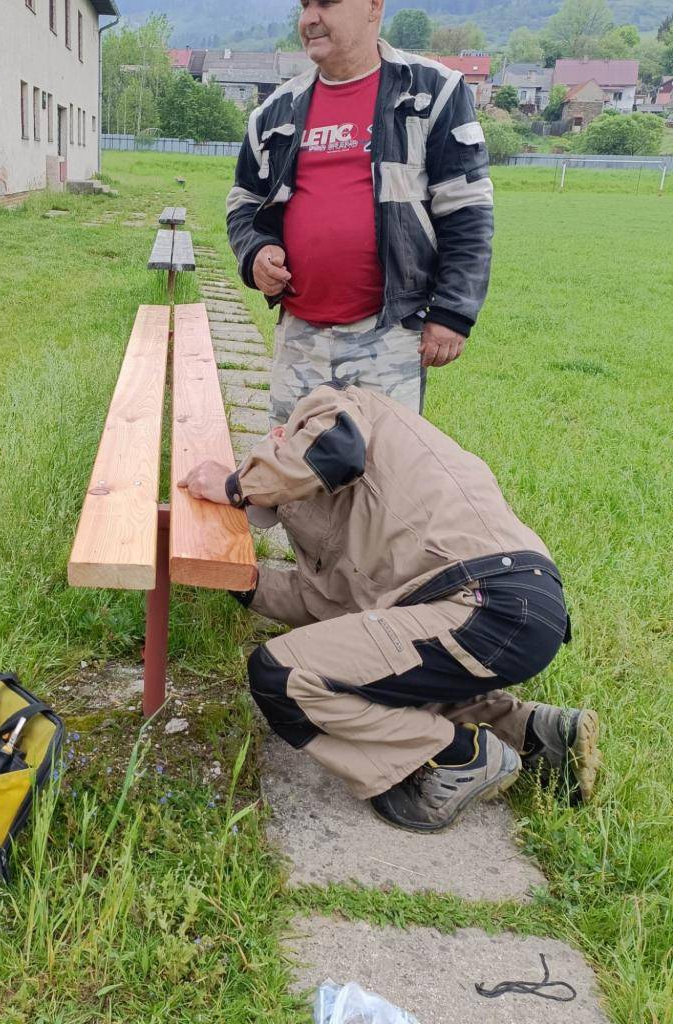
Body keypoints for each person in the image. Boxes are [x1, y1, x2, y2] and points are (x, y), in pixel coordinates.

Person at [178, 382, 600, 832]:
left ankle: (459, 755)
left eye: (272, 492)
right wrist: (245, 583)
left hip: (479, 603)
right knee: (371, 671)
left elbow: (333, 450)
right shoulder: (364, 505)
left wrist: (233, 484)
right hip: (519, 606)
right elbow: (326, 602)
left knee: (280, 675)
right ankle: (536, 734)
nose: (280, 507)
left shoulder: (330, 407)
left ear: (283, 437)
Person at [226, 0, 494, 423]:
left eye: (326, 3)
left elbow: (466, 210)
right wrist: (256, 251)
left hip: (389, 335)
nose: (310, 18)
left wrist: (452, 312)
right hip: (299, 335)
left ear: (373, 6)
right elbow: (243, 203)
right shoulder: (275, 112)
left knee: (382, 476)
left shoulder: (431, 93)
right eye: (304, 5)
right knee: (290, 474)